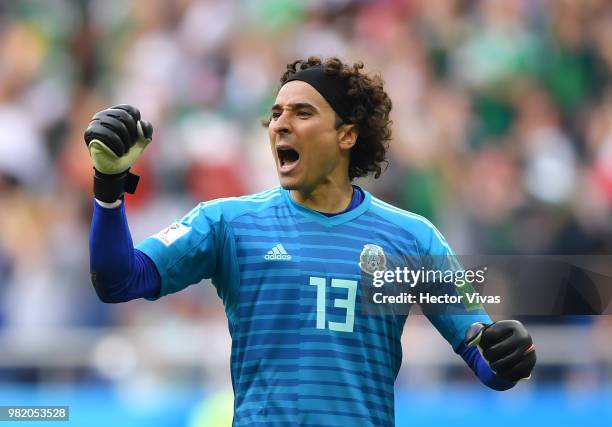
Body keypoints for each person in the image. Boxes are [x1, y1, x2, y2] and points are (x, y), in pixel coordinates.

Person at [86, 56, 536, 426]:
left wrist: (511, 352)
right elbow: (119, 280)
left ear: (346, 134)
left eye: (303, 113)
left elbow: (486, 358)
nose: (281, 124)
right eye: (276, 113)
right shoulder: (228, 222)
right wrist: (109, 186)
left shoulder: (412, 239)